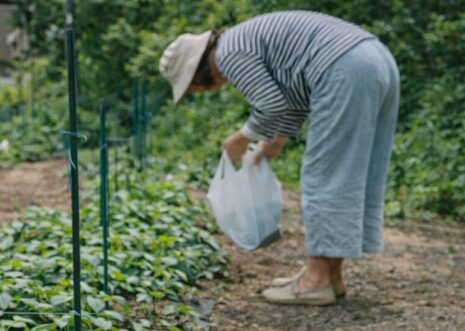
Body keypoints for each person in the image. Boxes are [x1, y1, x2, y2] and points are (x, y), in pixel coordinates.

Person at [160, 11, 400, 306]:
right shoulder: (243, 39)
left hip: (344, 67)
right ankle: (330, 274)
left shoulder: (228, 53)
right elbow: (292, 95)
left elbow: (271, 104)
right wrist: (276, 141)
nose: (201, 91)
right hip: (374, 59)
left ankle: (315, 282)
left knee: (324, 175)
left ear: (198, 71)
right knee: (346, 174)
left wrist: (241, 138)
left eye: (194, 86)